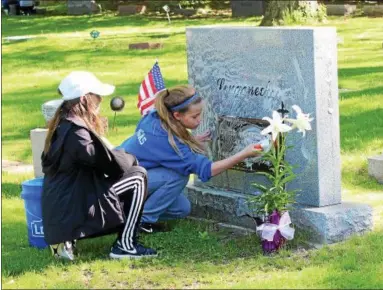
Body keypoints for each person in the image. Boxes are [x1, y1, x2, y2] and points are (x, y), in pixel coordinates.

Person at [41, 71, 157, 260]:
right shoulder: (76, 133)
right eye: (97, 96)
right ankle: (126, 245)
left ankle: (67, 242)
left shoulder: (63, 125)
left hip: (64, 212)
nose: (101, 100)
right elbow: (111, 167)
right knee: (137, 176)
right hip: (72, 213)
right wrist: (130, 157)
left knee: (126, 176)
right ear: (85, 99)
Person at [119, 85, 264, 233]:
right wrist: (244, 153)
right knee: (177, 176)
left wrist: (190, 139)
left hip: (124, 173)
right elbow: (207, 170)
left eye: (200, 114)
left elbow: (157, 148)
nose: (199, 120)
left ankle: (124, 213)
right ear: (177, 116)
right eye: (194, 116)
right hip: (119, 182)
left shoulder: (154, 116)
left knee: (181, 209)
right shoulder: (168, 142)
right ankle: (140, 222)